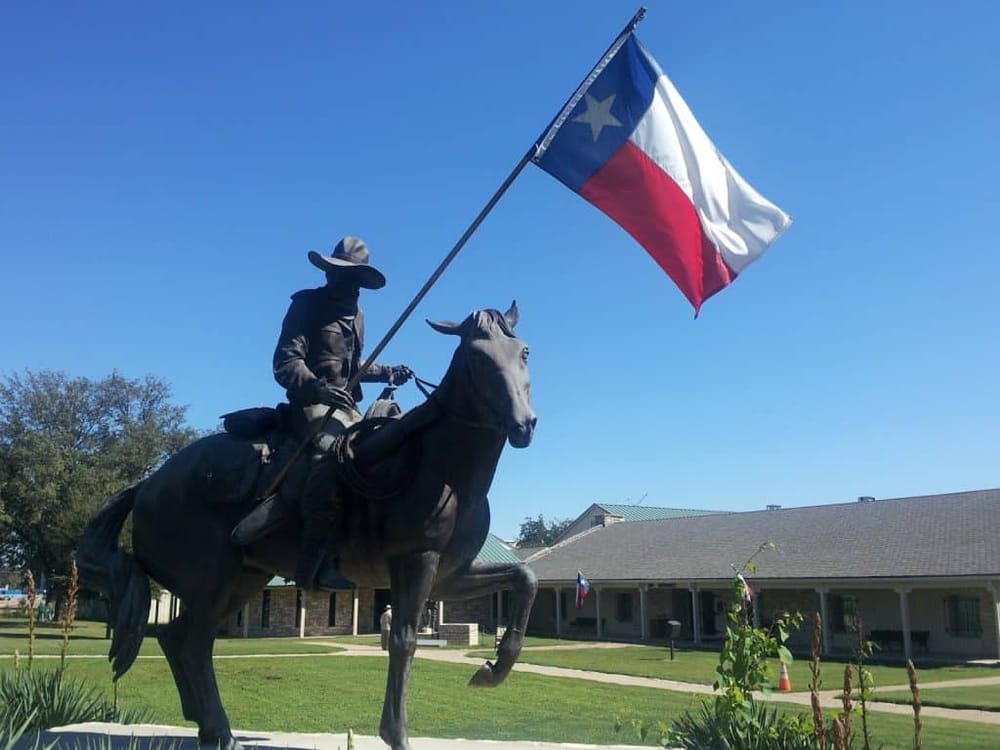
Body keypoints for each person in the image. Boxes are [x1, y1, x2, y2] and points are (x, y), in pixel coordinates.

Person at [273, 237, 411, 590]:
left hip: (347, 407)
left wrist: (386, 371)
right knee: (328, 454)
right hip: (311, 403)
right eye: (344, 277)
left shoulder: (358, 316)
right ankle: (313, 563)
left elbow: (352, 367)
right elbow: (286, 362)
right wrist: (316, 387)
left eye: (356, 281)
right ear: (330, 274)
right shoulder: (306, 304)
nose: (351, 287)